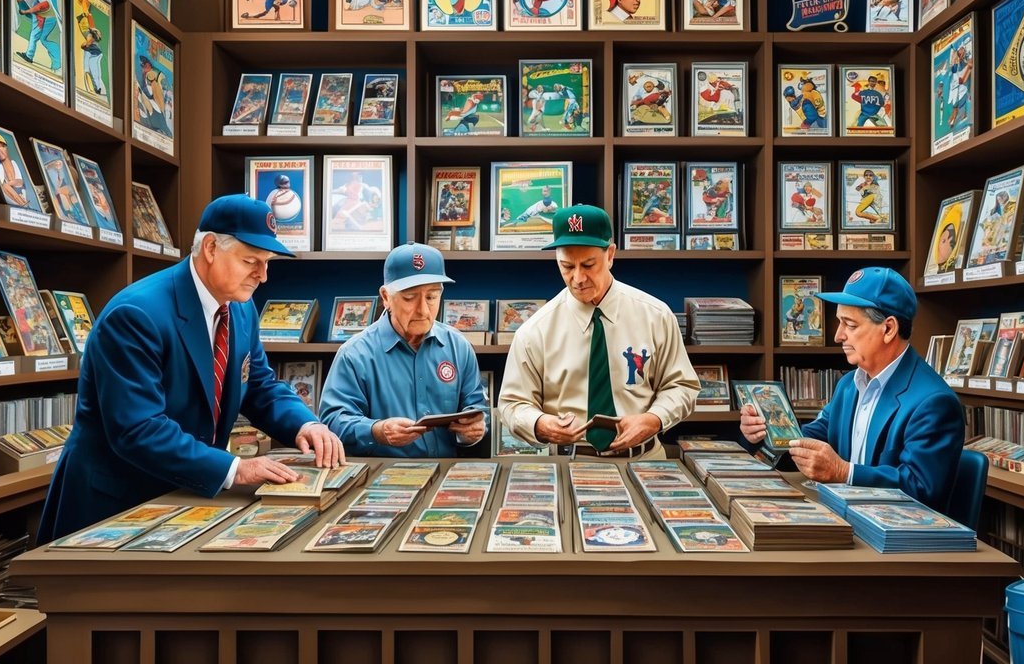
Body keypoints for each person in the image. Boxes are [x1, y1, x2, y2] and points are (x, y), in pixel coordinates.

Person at [38, 195, 345, 541]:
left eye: (267, 262)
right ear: (211, 248)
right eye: (251, 261)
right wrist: (234, 469)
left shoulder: (240, 310)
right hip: (116, 505)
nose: (263, 275)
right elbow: (138, 429)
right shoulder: (135, 315)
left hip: (186, 499)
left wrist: (304, 422)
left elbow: (258, 384)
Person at [739, 267, 964, 511]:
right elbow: (807, 447)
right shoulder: (848, 385)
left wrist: (843, 472)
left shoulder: (934, 402)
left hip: (895, 540)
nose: (838, 336)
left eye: (850, 325)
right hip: (846, 519)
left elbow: (923, 491)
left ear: (888, 329)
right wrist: (764, 435)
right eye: (839, 323)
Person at [497, 205, 698, 458]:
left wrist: (654, 419)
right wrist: (539, 424)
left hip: (644, 461)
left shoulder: (655, 315)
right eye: (567, 267)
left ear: (610, 255)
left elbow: (681, 385)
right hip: (567, 464)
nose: (578, 278)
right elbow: (511, 405)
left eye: (589, 264)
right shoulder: (534, 331)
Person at [319, 243, 488, 457]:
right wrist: (376, 431)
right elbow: (333, 421)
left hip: (448, 478)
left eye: (432, 296)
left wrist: (474, 429)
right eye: (410, 297)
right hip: (381, 478)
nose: (423, 310)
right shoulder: (355, 354)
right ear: (386, 297)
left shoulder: (459, 346)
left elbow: (477, 409)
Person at [14, 0, 61, 71]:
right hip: (44, 16)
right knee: (42, 39)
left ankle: (29, 56)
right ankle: (57, 62)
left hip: (45, 17)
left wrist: (25, 11)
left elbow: (38, 7)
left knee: (35, 36)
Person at [0, 132, 30, 208]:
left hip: (20, 191)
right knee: (4, 186)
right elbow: (2, 186)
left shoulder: (14, 163)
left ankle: (22, 203)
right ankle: (21, 203)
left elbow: (20, 181)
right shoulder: (0, 167)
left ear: (5, 147)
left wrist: (10, 183)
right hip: (12, 197)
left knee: (6, 185)